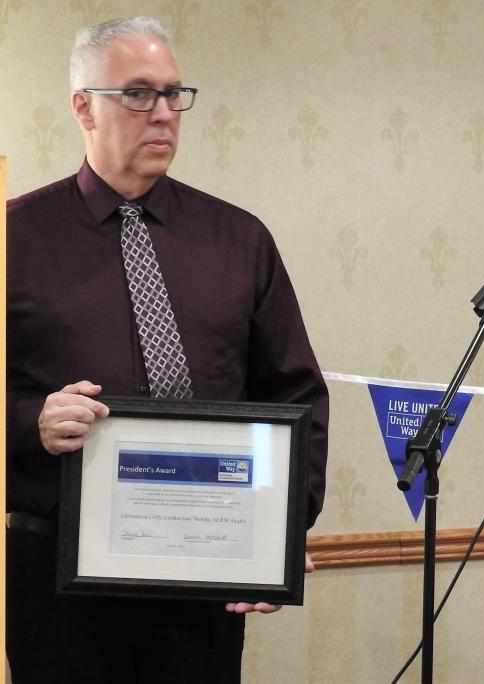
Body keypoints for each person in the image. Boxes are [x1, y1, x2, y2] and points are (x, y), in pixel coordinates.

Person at [5, 17, 329, 683]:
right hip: (56, 582)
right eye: (138, 94)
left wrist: (280, 534)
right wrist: (27, 421)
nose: (162, 114)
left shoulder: (239, 241)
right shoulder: (14, 238)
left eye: (173, 94)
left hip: (205, 578)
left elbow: (295, 396)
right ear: (82, 106)